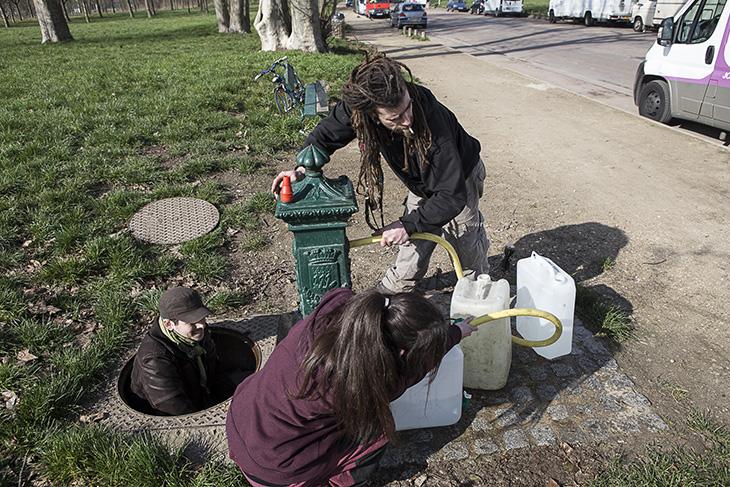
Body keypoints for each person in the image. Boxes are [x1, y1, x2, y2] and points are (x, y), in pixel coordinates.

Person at [271, 54, 490, 294]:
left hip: (460, 177)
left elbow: (451, 195)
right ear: (371, 114)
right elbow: (324, 137)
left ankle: (479, 295)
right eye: (395, 117)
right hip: (421, 183)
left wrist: (407, 224)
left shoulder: (432, 121)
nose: (407, 120)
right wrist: (301, 168)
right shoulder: (358, 110)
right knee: (414, 243)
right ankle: (395, 290)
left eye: (408, 107)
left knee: (464, 245)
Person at [226, 288, 475, 487]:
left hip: (241, 419)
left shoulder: (333, 310)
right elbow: (409, 375)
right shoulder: (355, 382)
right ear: (401, 351)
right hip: (272, 471)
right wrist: (453, 335)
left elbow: (347, 297)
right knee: (377, 430)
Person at [130, 287, 231, 416]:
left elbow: (215, 368)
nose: (202, 325)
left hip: (201, 394)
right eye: (192, 321)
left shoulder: (194, 334)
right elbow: (174, 406)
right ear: (169, 324)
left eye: (202, 318)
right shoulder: (154, 359)